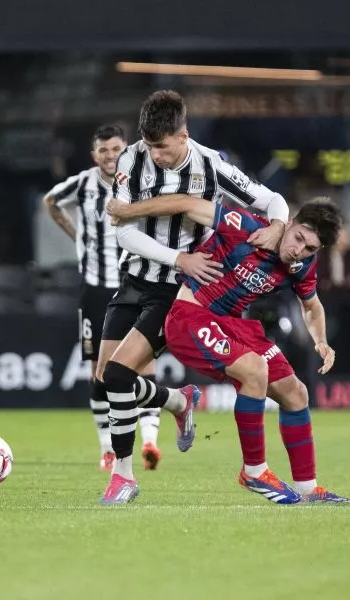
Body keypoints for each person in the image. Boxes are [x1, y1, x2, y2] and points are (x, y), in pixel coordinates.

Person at [97, 90, 295, 505]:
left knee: (117, 377)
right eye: (151, 146)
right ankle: (177, 400)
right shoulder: (132, 160)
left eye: (164, 148)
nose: (158, 156)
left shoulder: (211, 165)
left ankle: (123, 478)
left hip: (180, 290)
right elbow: (124, 232)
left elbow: (273, 200)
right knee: (105, 381)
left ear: (183, 135)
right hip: (136, 278)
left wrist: (276, 229)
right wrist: (178, 256)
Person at [107, 194, 350, 504]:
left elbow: (311, 306)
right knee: (255, 370)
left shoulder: (301, 265)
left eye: (310, 248)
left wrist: (321, 341)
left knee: (296, 393)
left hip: (231, 324)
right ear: (289, 224)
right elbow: (186, 203)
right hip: (190, 315)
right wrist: (128, 211)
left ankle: (307, 489)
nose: (297, 250)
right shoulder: (245, 227)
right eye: (299, 238)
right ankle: (254, 471)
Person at [43, 125, 165, 471]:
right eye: (103, 150)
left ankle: (151, 440)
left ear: (126, 148)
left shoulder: (144, 180)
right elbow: (50, 202)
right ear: (93, 154)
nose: (110, 155)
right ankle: (107, 448)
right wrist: (78, 235)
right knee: (99, 371)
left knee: (144, 363)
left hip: (138, 284)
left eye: (115, 148)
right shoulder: (82, 184)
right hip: (97, 289)